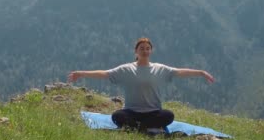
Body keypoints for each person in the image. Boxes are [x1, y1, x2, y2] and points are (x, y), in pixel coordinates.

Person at [67, 37, 215, 133]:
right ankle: (147, 129)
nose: (145, 51)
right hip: (131, 112)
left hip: (153, 113)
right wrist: (81, 73)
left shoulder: (160, 69)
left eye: (147, 48)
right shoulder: (126, 69)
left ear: (151, 51)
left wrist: (201, 73)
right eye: (141, 48)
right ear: (136, 51)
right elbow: (105, 74)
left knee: (169, 115)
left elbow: (180, 72)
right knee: (117, 115)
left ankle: (137, 129)